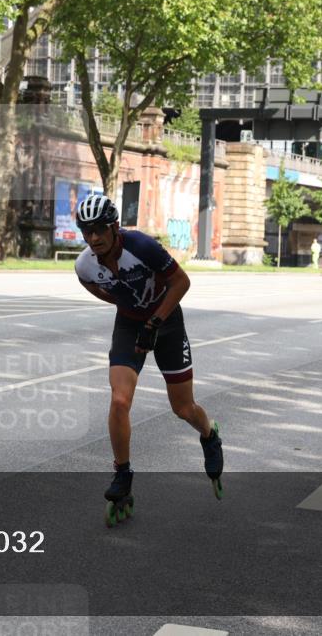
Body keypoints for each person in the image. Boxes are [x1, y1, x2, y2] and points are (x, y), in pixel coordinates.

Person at [71, 195, 224, 525]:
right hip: (129, 325)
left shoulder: (141, 245)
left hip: (166, 322)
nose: (93, 238)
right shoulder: (84, 265)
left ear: (113, 227)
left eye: (99, 230)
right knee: (119, 401)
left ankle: (209, 434)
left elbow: (181, 281)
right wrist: (131, 311)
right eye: (87, 231)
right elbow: (98, 289)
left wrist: (154, 322)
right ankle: (122, 474)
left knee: (183, 408)